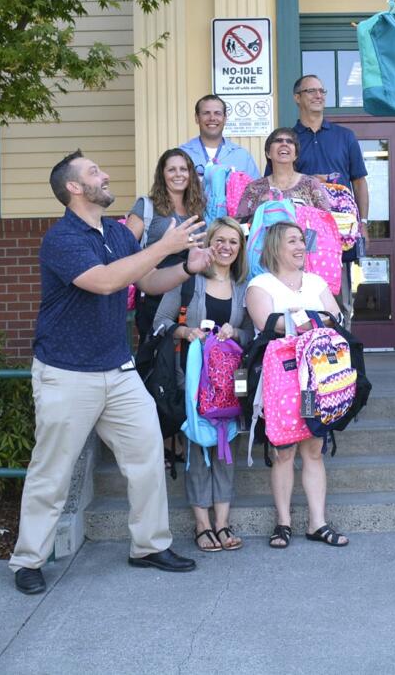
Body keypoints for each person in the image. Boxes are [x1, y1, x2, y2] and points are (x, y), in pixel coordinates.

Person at [10, 150, 211, 594]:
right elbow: (104, 281)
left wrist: (183, 267)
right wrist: (164, 246)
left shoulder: (118, 235)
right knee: (52, 471)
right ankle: (28, 560)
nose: (105, 175)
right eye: (94, 173)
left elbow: (145, 282)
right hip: (66, 372)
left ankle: (149, 546)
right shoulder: (61, 239)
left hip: (117, 370)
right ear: (74, 189)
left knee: (146, 457)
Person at [244, 221, 348, 549]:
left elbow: (338, 318)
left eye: (302, 240)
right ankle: (283, 523)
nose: (301, 246)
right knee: (283, 450)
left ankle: (318, 523)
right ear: (275, 247)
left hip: (318, 380)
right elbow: (267, 324)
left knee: (314, 448)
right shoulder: (259, 285)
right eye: (292, 241)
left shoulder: (316, 281)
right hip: (281, 381)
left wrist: (295, 319)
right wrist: (315, 319)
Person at [154, 217, 252, 552]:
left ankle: (223, 524)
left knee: (227, 449)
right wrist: (188, 331)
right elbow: (160, 323)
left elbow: (254, 333)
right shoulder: (188, 281)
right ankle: (202, 525)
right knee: (197, 448)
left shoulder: (244, 287)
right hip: (194, 379)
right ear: (209, 243)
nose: (226, 247)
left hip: (231, 382)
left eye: (233, 242)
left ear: (240, 249)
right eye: (220, 240)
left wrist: (236, 333)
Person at [288, 75, 369, 324]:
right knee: (301, 296)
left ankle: (343, 355)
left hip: (339, 231)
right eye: (311, 91)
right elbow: (278, 183)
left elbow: (359, 181)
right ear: (297, 98)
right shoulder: (287, 139)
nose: (318, 95)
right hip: (301, 230)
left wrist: (363, 222)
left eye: (322, 90)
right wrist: (309, 180)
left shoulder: (345, 136)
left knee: (341, 299)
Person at [126, 148, 206, 343]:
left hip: (190, 294)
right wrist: (166, 246)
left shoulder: (198, 208)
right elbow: (125, 248)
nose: (178, 174)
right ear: (162, 174)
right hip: (156, 291)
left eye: (183, 169)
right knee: (158, 353)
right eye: (171, 170)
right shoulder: (147, 206)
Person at [232, 127, 331, 222]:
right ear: (268, 153)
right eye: (278, 140)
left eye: (290, 141)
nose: (284, 144)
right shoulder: (254, 188)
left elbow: (327, 221)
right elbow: (240, 226)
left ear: (296, 155)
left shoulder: (311, 184)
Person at [180, 94, 260, 180]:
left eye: (217, 113)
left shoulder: (242, 156)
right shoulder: (183, 154)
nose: (212, 118)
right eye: (206, 113)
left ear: (225, 118)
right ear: (197, 118)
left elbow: (257, 191)